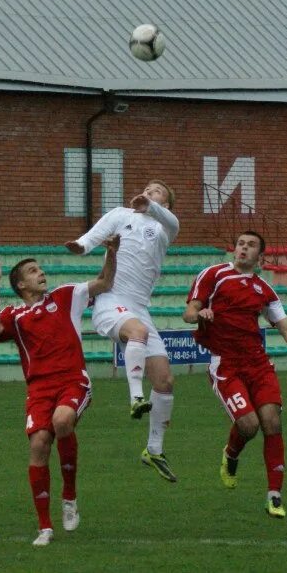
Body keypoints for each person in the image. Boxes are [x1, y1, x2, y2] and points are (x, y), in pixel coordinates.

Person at [0, 236, 119, 547]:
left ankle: (69, 495)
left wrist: (112, 250)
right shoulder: (15, 316)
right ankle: (45, 527)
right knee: (39, 446)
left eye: (40, 268)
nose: (40, 273)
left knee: (62, 421)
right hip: (39, 389)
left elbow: (104, 281)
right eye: (32, 271)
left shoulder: (66, 295)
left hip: (73, 380)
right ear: (20, 285)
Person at [183, 230, 287, 519]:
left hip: (258, 364)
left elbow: (285, 327)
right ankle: (231, 455)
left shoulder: (265, 290)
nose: (243, 249)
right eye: (240, 244)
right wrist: (201, 314)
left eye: (251, 245)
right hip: (226, 365)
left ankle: (274, 495)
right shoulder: (214, 274)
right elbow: (188, 312)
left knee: (272, 422)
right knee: (249, 426)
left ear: (261, 257)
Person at [65, 180, 180, 482]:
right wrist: (82, 246)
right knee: (138, 332)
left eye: (157, 191)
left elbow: (171, 220)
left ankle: (154, 450)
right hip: (112, 300)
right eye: (147, 188)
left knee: (166, 380)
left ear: (165, 204)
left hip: (140, 307)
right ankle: (135, 398)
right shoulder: (119, 214)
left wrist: (150, 206)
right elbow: (95, 234)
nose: (149, 191)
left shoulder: (166, 227)